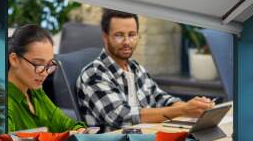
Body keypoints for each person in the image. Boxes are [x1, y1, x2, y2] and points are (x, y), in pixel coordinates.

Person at [76, 9, 214, 131]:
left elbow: (161, 98)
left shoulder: (135, 68)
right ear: (105, 37)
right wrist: (183, 110)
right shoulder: (94, 74)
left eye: (132, 35)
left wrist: (194, 107)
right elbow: (122, 116)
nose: (127, 42)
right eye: (119, 35)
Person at [8, 24, 86, 133]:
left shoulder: (37, 93)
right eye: (37, 64)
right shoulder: (3, 103)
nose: (45, 73)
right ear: (14, 60)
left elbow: (67, 124)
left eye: (49, 65)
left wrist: (81, 131)